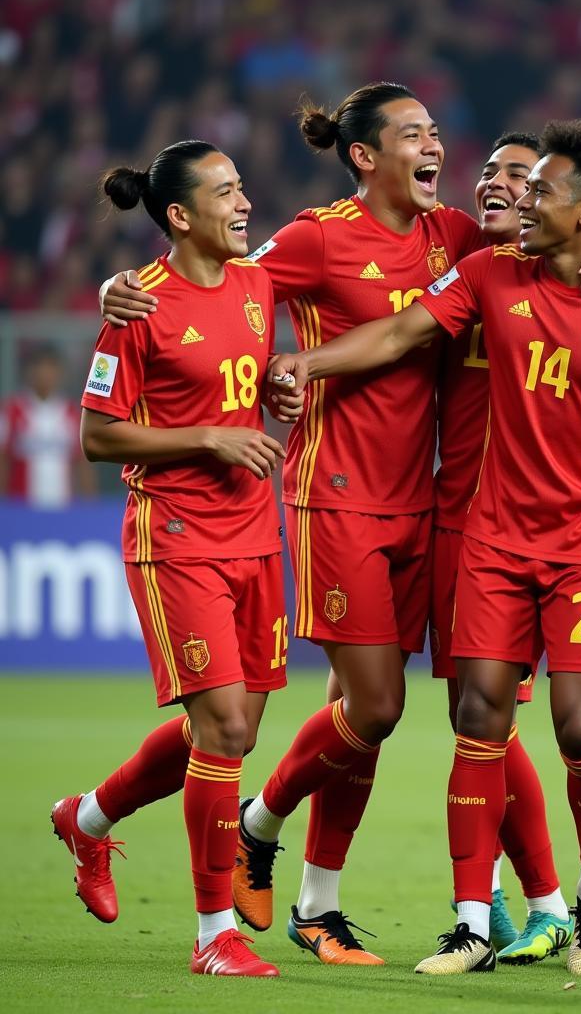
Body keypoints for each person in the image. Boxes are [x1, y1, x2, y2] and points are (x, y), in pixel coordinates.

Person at [97, 83, 581, 966]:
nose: (498, 187)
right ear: (368, 156)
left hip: (455, 511)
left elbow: (574, 247)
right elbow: (218, 269)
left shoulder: (465, 242)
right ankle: (282, 841)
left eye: (522, 182)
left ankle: (388, 897)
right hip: (338, 493)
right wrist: (126, 281)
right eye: (421, 137)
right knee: (376, 707)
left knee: (466, 716)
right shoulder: (318, 235)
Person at [267, 117, 581, 977]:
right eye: (500, 179)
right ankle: (467, 918)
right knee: (465, 717)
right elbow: (401, 331)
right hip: (471, 528)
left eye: (535, 185)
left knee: (572, 729)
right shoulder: (479, 265)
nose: (515, 194)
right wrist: (309, 363)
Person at [52, 140, 304, 977]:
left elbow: (244, 372)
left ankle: (87, 819)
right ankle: (212, 936)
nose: (245, 203)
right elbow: (95, 435)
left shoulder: (258, 282)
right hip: (177, 539)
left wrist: (275, 388)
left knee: (230, 731)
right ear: (179, 215)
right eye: (227, 192)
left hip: (256, 535)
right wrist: (206, 436)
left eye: (243, 185)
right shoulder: (136, 306)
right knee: (225, 728)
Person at [0, 343, 97, 507]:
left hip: (63, 509)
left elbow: (83, 464)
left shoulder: (73, 413)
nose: (44, 374)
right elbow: (3, 461)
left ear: (60, 373)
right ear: (28, 372)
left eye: (50, 368)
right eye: (39, 367)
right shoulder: (11, 411)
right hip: (21, 509)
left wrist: (90, 506)